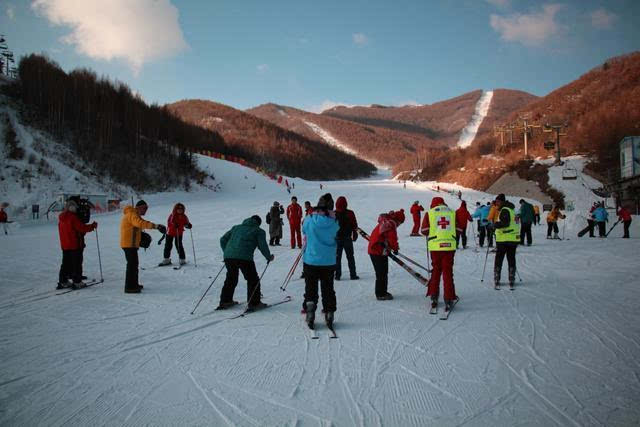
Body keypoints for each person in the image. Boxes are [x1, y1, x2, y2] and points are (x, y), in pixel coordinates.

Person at [218, 215, 274, 310]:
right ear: (258, 223)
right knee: (253, 279)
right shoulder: (258, 231)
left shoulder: (236, 228)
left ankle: (225, 301)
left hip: (229, 257)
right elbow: (262, 245)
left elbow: (222, 239)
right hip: (245, 258)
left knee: (231, 278)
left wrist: (227, 252)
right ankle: (254, 303)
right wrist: (268, 257)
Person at [302, 194, 339, 327]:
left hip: (311, 260)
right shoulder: (335, 222)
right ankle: (329, 313)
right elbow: (337, 235)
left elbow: (304, 230)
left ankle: (310, 312)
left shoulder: (309, 219)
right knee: (328, 288)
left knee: (310, 287)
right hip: (328, 261)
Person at [120, 200, 166, 294]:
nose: (146, 210)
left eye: (147, 208)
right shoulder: (132, 214)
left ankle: (134, 284)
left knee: (134, 264)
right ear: (138, 208)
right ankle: (130, 287)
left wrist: (157, 226)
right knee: (132, 265)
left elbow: (142, 222)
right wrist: (156, 227)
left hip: (131, 244)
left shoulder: (134, 214)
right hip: (129, 244)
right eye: (144, 208)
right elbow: (140, 223)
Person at [422, 197, 458, 311]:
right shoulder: (452, 212)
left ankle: (433, 296)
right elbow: (459, 229)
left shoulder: (430, 213)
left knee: (436, 271)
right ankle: (449, 297)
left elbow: (424, 230)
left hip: (435, 247)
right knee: (448, 272)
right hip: (449, 246)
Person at [57, 199, 97, 289]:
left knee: (66, 263)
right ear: (71, 207)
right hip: (74, 244)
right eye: (74, 207)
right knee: (77, 263)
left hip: (65, 245)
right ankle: (77, 281)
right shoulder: (72, 217)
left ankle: (63, 280)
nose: (76, 209)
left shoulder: (62, 218)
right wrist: (92, 226)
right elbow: (81, 228)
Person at [368, 209, 405, 301]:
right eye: (400, 223)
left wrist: (390, 248)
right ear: (398, 220)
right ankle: (380, 293)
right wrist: (395, 248)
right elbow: (392, 238)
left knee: (383, 272)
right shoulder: (390, 224)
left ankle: (383, 291)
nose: (399, 225)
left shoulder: (386, 221)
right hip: (377, 250)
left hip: (377, 249)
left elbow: (386, 237)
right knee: (381, 273)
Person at [493, 194, 520, 290]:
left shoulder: (505, 210)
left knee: (499, 259)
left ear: (501, 201)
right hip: (513, 239)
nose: (496, 204)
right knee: (511, 258)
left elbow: (505, 223)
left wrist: (495, 225)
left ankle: (497, 277)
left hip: (504, 239)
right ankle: (511, 277)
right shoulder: (512, 210)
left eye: (497, 202)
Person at [335, 196, 359, 280]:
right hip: (347, 238)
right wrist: (355, 234)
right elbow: (354, 225)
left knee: (337, 257)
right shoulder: (350, 213)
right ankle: (353, 274)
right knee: (350, 257)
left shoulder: (334, 214)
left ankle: (337, 275)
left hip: (337, 238)